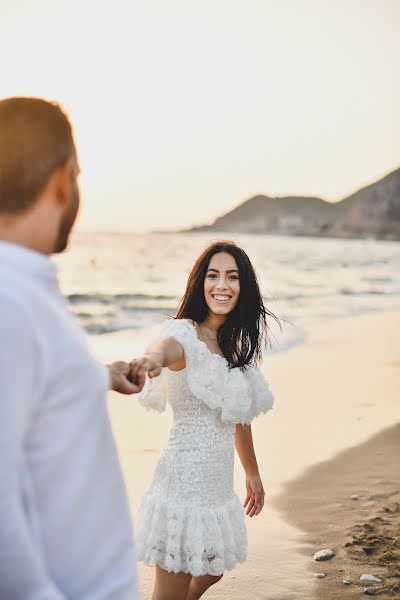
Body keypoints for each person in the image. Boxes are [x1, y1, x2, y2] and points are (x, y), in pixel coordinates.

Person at [0, 97, 143, 599]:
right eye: (78, 175)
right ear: (63, 179)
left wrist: (94, 374)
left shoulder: (23, 288)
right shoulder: (9, 300)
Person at [129, 241, 279, 600]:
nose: (221, 285)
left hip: (215, 485)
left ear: (243, 287)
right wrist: (149, 360)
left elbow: (239, 418)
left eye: (232, 276)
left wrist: (253, 473)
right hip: (183, 481)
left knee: (211, 568)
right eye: (213, 276)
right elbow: (161, 350)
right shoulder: (184, 335)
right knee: (173, 585)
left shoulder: (235, 344)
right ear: (201, 283)